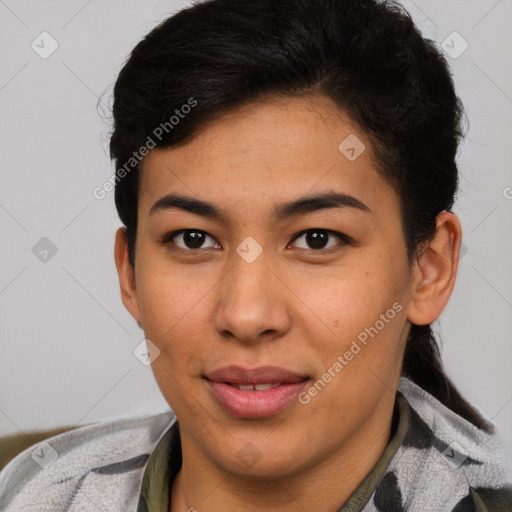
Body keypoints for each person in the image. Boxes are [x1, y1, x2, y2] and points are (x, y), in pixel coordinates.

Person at [1, 0, 511, 510]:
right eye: (193, 239)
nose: (246, 316)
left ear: (428, 270)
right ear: (129, 271)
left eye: (317, 239)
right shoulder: (28, 487)